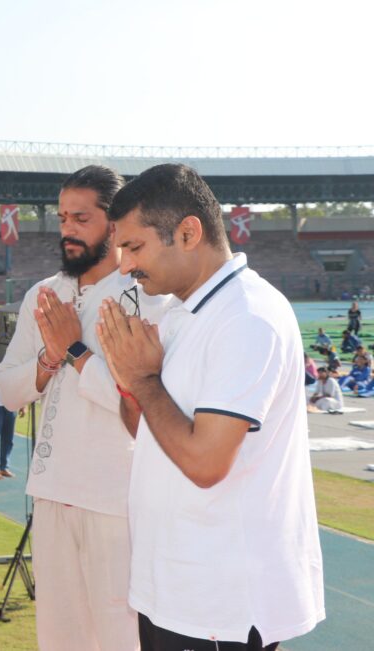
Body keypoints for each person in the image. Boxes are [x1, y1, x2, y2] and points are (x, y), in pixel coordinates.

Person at [97, 163, 324, 649]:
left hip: (222, 604)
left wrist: (143, 377)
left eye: (133, 247)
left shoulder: (246, 317)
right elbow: (150, 433)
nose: (123, 267)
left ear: (187, 232)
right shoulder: (185, 312)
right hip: (176, 592)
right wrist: (129, 380)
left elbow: (204, 463)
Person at [0, 164, 171, 651]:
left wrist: (74, 350)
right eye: (62, 218)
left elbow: (139, 405)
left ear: (114, 225)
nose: (67, 230)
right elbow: (9, 392)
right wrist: (51, 355)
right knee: (60, 638)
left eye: (80, 218)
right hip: (52, 495)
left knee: (121, 638)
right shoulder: (43, 295)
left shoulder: (144, 297)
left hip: (118, 503)